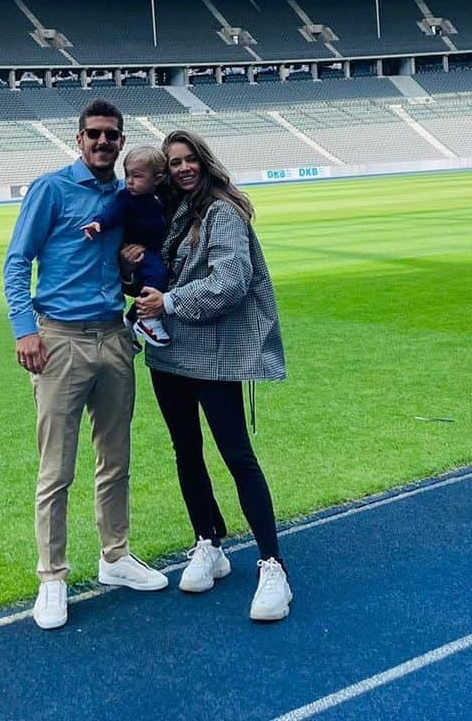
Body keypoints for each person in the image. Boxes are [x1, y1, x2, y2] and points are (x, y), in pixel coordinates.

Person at [3, 100, 168, 631]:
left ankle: (115, 557)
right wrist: (25, 329)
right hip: (60, 340)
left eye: (112, 136)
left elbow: (136, 247)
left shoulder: (125, 197)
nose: (103, 142)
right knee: (57, 468)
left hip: (114, 336)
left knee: (115, 458)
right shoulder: (51, 190)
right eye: (94, 134)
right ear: (79, 140)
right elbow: (16, 261)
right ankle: (52, 576)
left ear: (122, 142)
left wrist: (132, 260)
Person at [133, 129, 291, 622]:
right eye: (173, 162)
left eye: (188, 160)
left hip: (214, 355)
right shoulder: (168, 212)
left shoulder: (222, 211)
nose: (182, 169)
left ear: (203, 161)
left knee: (237, 456)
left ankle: (272, 565)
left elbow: (232, 280)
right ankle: (208, 541)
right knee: (186, 450)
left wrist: (170, 302)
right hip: (170, 355)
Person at [81, 144, 171, 348]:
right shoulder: (127, 198)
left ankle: (131, 320)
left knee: (160, 280)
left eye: (137, 176)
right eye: (128, 175)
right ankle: (148, 319)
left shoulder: (158, 198)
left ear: (157, 178)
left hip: (153, 249)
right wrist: (98, 223)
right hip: (140, 251)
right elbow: (113, 212)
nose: (129, 181)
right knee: (158, 274)